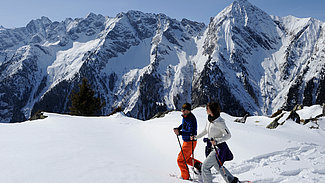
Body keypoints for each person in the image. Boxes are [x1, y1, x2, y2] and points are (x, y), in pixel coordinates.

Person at [196, 102, 238, 183]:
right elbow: (205, 130)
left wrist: (217, 141)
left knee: (205, 167)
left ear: (212, 110)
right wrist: (196, 137)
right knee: (218, 166)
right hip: (211, 147)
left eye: (207, 108)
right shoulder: (209, 119)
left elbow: (228, 135)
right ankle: (231, 180)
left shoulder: (220, 122)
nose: (206, 110)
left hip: (218, 148)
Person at [173, 103, 202, 180]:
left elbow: (191, 132)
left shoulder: (191, 119)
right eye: (182, 109)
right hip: (186, 141)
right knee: (186, 158)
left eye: (184, 110)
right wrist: (179, 128)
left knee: (180, 160)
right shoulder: (185, 117)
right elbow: (183, 125)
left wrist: (180, 132)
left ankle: (185, 177)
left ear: (188, 110)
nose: (182, 111)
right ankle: (199, 166)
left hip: (190, 142)